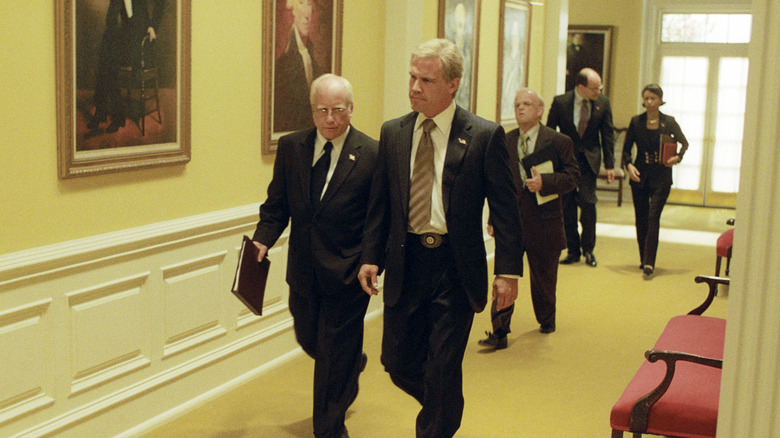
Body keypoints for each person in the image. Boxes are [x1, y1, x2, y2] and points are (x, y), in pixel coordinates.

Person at [357, 39, 524, 438]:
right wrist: (370, 257)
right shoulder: (394, 132)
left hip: (454, 266)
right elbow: (381, 205)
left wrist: (509, 272)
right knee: (395, 362)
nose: (414, 87)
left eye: (426, 80)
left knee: (443, 364)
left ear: (453, 84)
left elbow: (506, 209)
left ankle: (436, 424)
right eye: (412, 77)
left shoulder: (484, 136)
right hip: (406, 262)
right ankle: (444, 404)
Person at [253, 74, 377, 438]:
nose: (330, 119)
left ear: (351, 109)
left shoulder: (371, 153)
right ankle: (351, 364)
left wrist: (371, 260)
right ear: (312, 110)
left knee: (330, 362)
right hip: (304, 271)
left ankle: (329, 429)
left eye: (338, 110)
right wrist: (263, 240)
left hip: (348, 273)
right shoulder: (292, 147)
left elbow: (377, 217)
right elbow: (277, 205)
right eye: (322, 111)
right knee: (311, 339)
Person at [479, 88, 579, 348]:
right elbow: (497, 184)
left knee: (544, 277)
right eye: (517, 105)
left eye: (526, 104)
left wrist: (545, 182)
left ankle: (547, 319)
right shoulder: (505, 140)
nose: (521, 108)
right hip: (510, 223)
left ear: (539, 110)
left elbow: (572, 177)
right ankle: (499, 331)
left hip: (544, 222)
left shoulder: (558, 141)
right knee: (504, 275)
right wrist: (492, 218)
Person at [547, 67, 615, 267]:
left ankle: (589, 250)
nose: (598, 92)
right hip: (566, 162)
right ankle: (573, 250)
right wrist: (550, 162)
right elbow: (550, 133)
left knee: (588, 204)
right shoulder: (561, 102)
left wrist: (609, 166)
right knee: (566, 207)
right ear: (581, 87)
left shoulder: (603, 103)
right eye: (595, 89)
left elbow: (608, 135)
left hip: (589, 162)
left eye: (600, 88)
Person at [623, 84, 688, 276]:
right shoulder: (636, 122)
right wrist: (628, 165)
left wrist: (677, 157)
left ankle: (650, 262)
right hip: (639, 175)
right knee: (641, 218)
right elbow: (626, 149)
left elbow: (684, 143)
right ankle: (643, 258)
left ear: (660, 100)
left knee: (653, 217)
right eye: (646, 98)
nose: (649, 102)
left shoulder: (669, 122)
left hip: (661, 176)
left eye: (653, 98)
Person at [88, 0, 164, 133]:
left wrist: (152, 26)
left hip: (141, 42)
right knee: (107, 58)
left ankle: (104, 113)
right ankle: (112, 116)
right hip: (126, 39)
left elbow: (161, 3)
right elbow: (110, 21)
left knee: (108, 63)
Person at [274, 0, 323, 133]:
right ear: (293, 12)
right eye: (301, 4)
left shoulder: (311, 57)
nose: (307, 17)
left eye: (310, 7)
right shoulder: (283, 63)